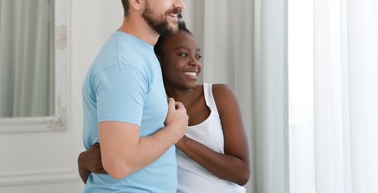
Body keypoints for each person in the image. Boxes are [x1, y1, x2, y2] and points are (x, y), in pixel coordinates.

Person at [79, 20, 251, 192]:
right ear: (157, 59)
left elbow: (242, 173)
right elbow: (115, 168)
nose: (194, 63)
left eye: (197, 56)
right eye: (183, 55)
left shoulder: (218, 96)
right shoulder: (146, 110)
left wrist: (180, 138)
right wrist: (83, 161)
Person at [80, 0, 189, 192]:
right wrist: (175, 130)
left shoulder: (142, 53)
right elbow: (119, 163)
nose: (180, 4)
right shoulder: (124, 64)